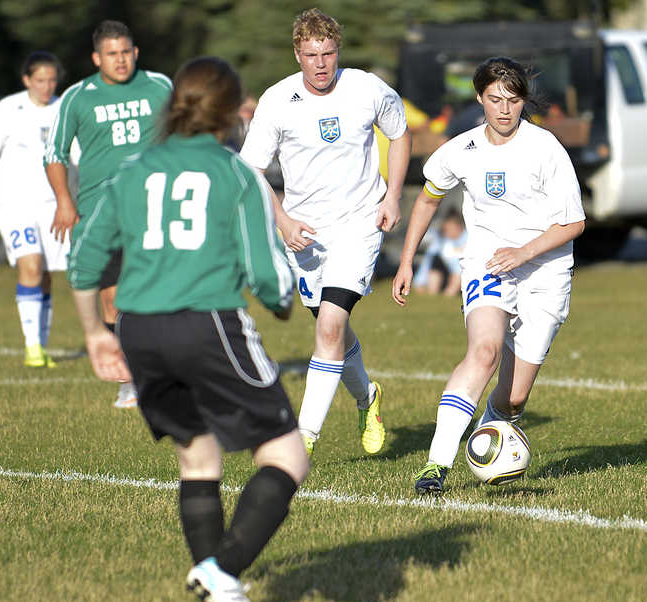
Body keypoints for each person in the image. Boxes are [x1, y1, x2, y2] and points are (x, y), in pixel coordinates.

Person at [67, 56, 310, 602]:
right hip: (207, 325)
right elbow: (267, 274)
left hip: (140, 332)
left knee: (198, 461)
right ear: (229, 115)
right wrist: (284, 299)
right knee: (286, 456)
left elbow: (84, 260)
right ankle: (220, 571)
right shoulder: (234, 172)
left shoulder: (133, 168)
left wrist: (97, 334)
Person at [392, 56, 585, 495]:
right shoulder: (460, 150)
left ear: (523, 101)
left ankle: (488, 440)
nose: (504, 109)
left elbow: (573, 223)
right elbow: (426, 200)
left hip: (545, 271)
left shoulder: (545, 148)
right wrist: (407, 260)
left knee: (513, 399)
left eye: (513, 100)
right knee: (483, 352)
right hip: (486, 263)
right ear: (480, 98)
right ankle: (436, 464)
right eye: (495, 99)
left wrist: (524, 252)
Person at [239, 7, 412, 457]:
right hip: (305, 233)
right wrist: (282, 220)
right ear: (297, 54)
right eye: (312, 54)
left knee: (331, 325)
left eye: (329, 53)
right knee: (334, 330)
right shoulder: (276, 101)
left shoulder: (366, 88)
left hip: (360, 222)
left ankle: (305, 436)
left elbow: (401, 134)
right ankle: (366, 399)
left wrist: (393, 196)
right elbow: (251, 171)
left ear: (339, 52)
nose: (321, 63)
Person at [44, 19, 172, 408]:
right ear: (98, 57)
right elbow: (55, 154)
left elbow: (185, 135)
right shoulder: (78, 97)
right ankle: (129, 375)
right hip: (100, 213)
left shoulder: (159, 86)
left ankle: (164, 371)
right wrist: (65, 202)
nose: (120, 60)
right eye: (112, 54)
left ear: (136, 53)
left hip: (154, 206)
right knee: (113, 300)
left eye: (126, 52)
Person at [0, 51, 67, 368]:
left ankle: (42, 345)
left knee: (47, 276)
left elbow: (77, 158)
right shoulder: (8, 109)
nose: (46, 86)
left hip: (53, 207)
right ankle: (33, 348)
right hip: (15, 205)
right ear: (27, 80)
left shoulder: (64, 108)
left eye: (51, 80)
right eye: (40, 80)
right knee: (31, 267)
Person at [412, 208, 466, 296]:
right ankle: (433, 296)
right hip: (447, 274)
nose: (447, 232)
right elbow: (428, 261)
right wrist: (419, 282)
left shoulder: (470, 238)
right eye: (446, 229)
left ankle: (448, 297)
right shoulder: (440, 240)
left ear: (459, 227)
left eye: (450, 228)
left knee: (459, 272)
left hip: (463, 273)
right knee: (435, 270)